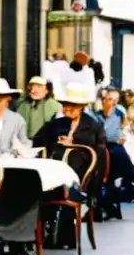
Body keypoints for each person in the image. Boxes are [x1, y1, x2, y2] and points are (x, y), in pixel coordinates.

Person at [32, 83, 106, 242]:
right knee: (39, 186)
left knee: (69, 187)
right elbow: (38, 140)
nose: (68, 109)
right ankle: (42, 233)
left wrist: (75, 142)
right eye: (66, 105)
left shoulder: (93, 126)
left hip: (80, 173)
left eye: (72, 106)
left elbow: (99, 152)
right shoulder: (57, 124)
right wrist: (54, 142)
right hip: (56, 169)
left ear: (81, 107)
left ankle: (65, 237)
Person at [93, 87, 131, 219]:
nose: (114, 103)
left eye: (116, 100)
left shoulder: (119, 113)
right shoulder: (96, 115)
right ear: (103, 100)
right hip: (101, 147)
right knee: (111, 161)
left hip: (114, 146)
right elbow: (101, 135)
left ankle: (109, 203)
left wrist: (120, 136)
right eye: (110, 99)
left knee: (118, 162)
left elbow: (119, 128)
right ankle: (108, 205)